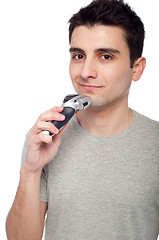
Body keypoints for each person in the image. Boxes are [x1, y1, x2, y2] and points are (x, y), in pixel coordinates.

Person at [6, 0, 159, 239]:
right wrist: (30, 170)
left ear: (137, 68)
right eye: (78, 55)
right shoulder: (46, 135)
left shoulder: (156, 142)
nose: (86, 71)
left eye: (105, 56)